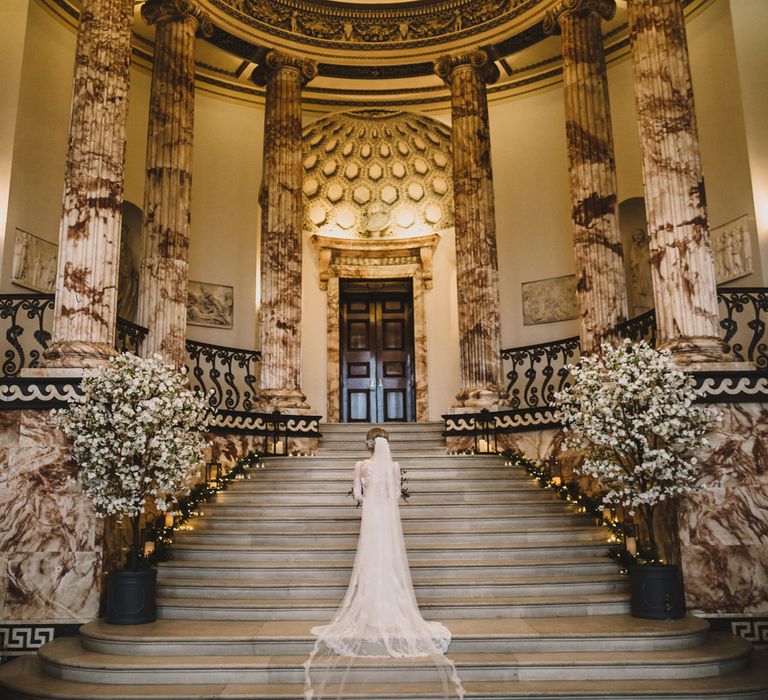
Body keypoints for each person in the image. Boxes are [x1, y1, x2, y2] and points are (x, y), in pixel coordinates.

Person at [303, 428, 463, 698]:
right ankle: (391, 607)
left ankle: (371, 609)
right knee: (389, 561)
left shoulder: (361, 465)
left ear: (367, 444)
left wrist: (368, 496)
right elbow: (397, 495)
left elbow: (357, 495)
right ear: (387, 443)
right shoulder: (395, 466)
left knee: (370, 561)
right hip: (387, 522)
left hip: (371, 521)